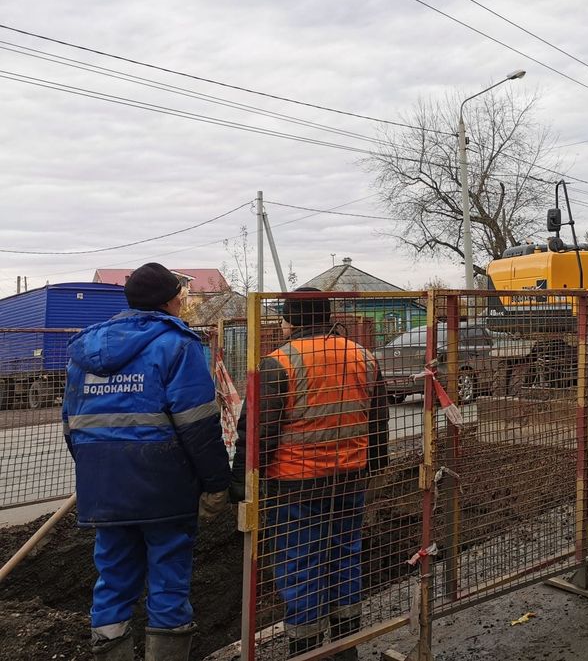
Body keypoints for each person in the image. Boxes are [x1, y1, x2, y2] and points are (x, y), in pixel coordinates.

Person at [63, 262, 231, 661]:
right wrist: (216, 483)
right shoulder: (178, 344)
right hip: (164, 489)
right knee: (169, 581)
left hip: (104, 490)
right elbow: (198, 425)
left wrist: (99, 475)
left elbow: (72, 428)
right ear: (171, 300)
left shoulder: (83, 351)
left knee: (113, 579)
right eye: (180, 295)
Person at [230, 287, 383, 660]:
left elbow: (257, 432)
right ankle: (346, 647)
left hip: (296, 487)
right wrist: (375, 465)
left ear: (290, 319)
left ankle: (306, 649)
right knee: (346, 556)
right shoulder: (362, 356)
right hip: (350, 479)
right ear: (326, 316)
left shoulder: (278, 362)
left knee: (302, 564)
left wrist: (242, 481)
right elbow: (378, 419)